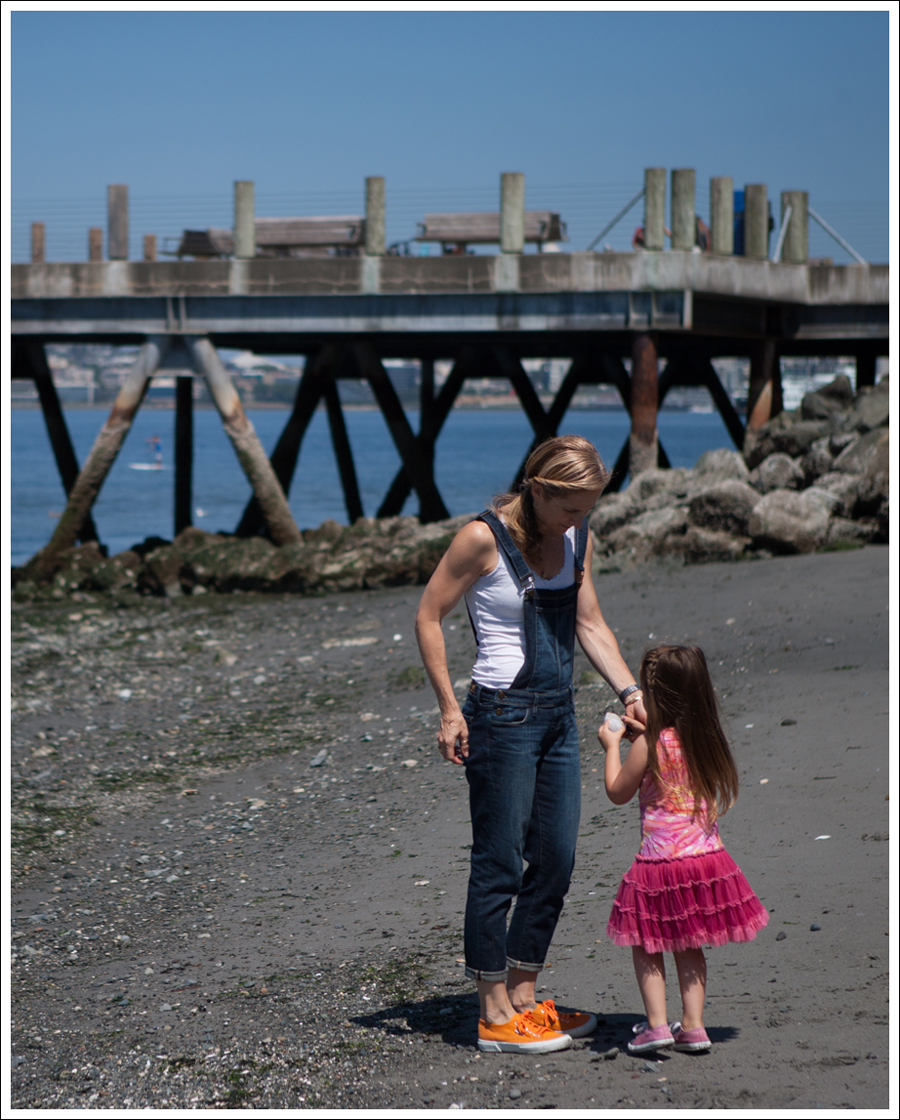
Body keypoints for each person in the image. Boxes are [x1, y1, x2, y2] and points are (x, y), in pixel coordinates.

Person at [416, 435, 648, 1054]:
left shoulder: (576, 537)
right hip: (500, 717)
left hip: (556, 716)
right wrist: (448, 710)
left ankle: (523, 995)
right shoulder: (481, 539)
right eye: (570, 508)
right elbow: (428, 615)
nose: (578, 520)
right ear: (537, 489)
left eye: (588, 509)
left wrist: (630, 692)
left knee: (556, 859)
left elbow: (589, 623)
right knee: (498, 862)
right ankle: (492, 1012)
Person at [598, 644, 769, 1055]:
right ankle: (693, 1027)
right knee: (690, 942)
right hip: (706, 862)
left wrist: (612, 746)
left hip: (659, 864)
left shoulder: (648, 745)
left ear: (657, 697)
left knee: (647, 942)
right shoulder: (706, 740)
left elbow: (617, 791)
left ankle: (657, 1025)